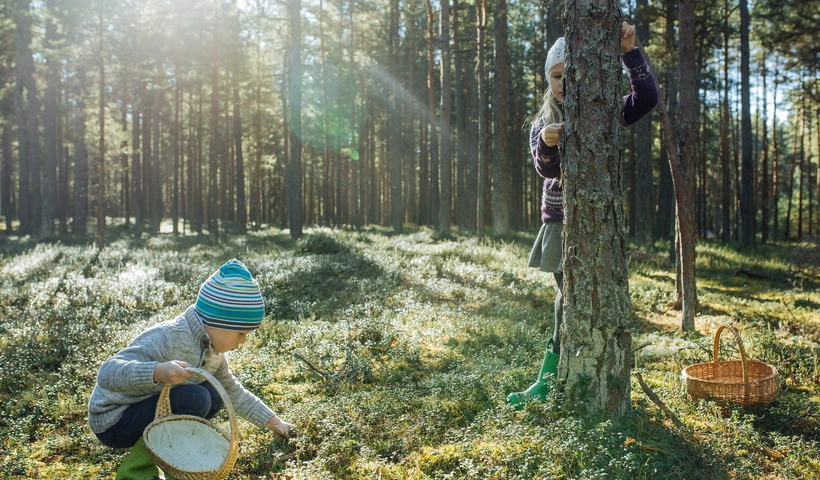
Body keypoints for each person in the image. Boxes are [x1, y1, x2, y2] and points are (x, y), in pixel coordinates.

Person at [508, 22, 658, 408]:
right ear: (548, 81)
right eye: (556, 76)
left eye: (569, 74)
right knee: (565, 296)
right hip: (560, 224)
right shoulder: (542, 125)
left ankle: (579, 370)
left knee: (590, 295)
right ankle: (547, 376)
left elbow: (646, 99)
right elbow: (546, 171)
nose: (563, 82)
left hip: (600, 220)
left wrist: (630, 53)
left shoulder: (603, 111)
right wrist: (546, 143)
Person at [88, 258, 297, 479]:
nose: (243, 341)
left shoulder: (213, 352)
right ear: (219, 322)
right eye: (240, 333)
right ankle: (137, 473)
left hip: (147, 410)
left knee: (215, 394)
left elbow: (233, 393)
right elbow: (107, 373)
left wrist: (276, 423)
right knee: (196, 398)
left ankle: (177, 459)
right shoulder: (168, 338)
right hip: (115, 419)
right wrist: (157, 371)